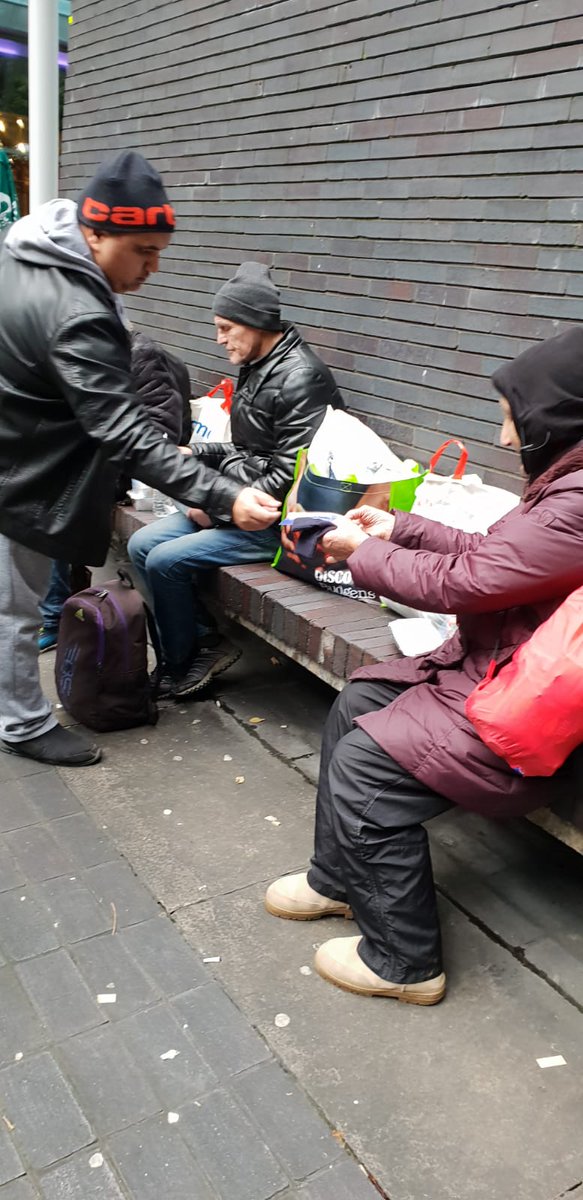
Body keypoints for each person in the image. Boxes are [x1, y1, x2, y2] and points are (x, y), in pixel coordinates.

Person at [265, 326, 583, 1005]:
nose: (504, 437)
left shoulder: (578, 500)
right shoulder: (567, 486)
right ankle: (338, 880)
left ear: (555, 417)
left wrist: (358, 552)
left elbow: (469, 582)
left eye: (513, 419)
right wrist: (398, 527)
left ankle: (403, 962)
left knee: (365, 770)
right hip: (506, 671)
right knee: (357, 703)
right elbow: (495, 552)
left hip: (537, 711)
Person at [0, 152, 279, 768]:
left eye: (160, 251)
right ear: (95, 233)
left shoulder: (26, 255)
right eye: (143, 251)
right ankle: (20, 723)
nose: (153, 267)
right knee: (13, 609)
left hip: (19, 452)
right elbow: (123, 431)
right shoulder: (76, 310)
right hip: (21, 472)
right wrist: (224, 494)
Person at [128, 261, 344, 700]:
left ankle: (181, 665)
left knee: (164, 560)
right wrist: (196, 453)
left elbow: (289, 475)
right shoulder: (260, 363)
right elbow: (248, 449)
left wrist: (218, 505)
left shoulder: (300, 378)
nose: (219, 339)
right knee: (140, 544)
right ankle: (202, 642)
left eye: (226, 328)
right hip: (242, 502)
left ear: (256, 322)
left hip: (280, 523)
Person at [36, 330, 194, 655]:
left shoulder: (141, 356)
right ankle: (59, 604)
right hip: (107, 463)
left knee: (50, 502)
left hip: (136, 473)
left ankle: (53, 619)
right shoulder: (88, 355)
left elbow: (160, 432)